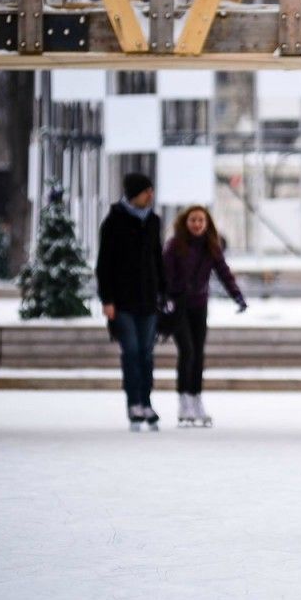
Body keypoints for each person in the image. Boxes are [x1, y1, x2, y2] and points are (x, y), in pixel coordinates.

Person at [163, 205, 247, 428]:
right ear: (185, 222)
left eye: (201, 220)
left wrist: (237, 296)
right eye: (193, 220)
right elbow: (164, 275)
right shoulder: (174, 245)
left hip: (199, 305)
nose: (197, 224)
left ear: (207, 223)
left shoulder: (211, 246)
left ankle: (196, 398)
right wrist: (165, 299)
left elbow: (223, 273)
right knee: (187, 351)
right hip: (178, 306)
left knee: (198, 353)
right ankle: (184, 400)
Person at [96, 173, 166, 432]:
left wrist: (164, 292)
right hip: (123, 301)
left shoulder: (153, 222)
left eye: (151, 191)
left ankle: (146, 401)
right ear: (134, 193)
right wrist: (107, 299)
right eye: (146, 191)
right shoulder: (114, 222)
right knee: (132, 352)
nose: (151, 196)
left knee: (147, 354)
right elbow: (104, 264)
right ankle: (133, 402)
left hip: (148, 300)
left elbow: (157, 260)